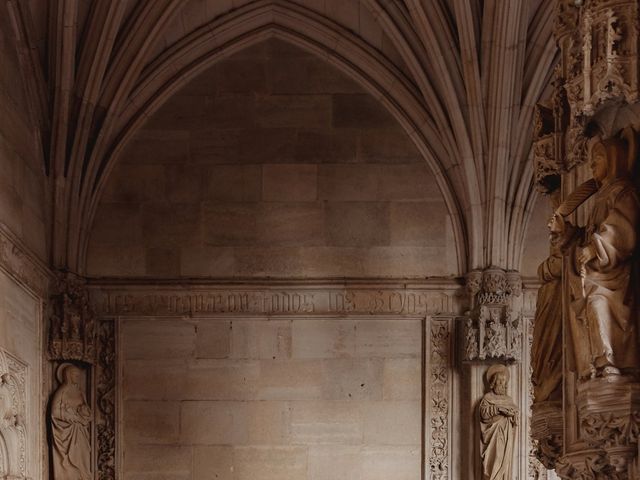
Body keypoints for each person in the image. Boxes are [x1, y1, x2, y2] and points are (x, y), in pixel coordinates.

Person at [552, 134, 640, 379]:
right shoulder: (602, 196)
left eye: (598, 158)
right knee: (582, 308)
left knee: (596, 304)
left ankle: (609, 361)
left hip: (613, 278)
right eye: (590, 159)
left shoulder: (622, 192)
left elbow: (623, 230)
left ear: (613, 160)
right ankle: (594, 365)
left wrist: (595, 249)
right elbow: (588, 235)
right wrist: (568, 234)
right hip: (596, 274)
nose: (592, 164)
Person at [50, 364, 92, 480]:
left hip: (81, 432)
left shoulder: (80, 393)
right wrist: (73, 417)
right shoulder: (62, 391)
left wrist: (86, 416)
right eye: (75, 375)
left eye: (79, 375)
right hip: (66, 433)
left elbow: (87, 411)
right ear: (68, 375)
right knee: (69, 460)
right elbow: (55, 412)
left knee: (83, 456)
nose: (78, 377)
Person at [479, 365, 518, 480]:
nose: (501, 383)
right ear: (493, 382)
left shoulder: (509, 400)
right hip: (493, 434)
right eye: (499, 381)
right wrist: (497, 410)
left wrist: (513, 415)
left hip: (506, 434)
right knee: (495, 457)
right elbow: (484, 414)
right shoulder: (487, 398)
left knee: (504, 460)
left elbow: (516, 415)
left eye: (503, 381)